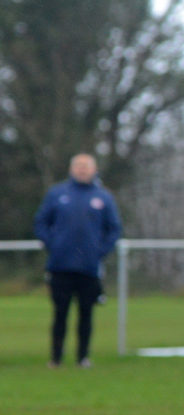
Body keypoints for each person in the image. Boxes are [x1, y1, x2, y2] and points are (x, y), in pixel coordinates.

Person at [33, 153, 122, 368]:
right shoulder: (57, 194)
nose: (82, 169)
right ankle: (56, 357)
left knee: (86, 313)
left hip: (89, 267)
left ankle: (83, 357)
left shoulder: (103, 197)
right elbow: (40, 223)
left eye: (86, 166)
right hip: (60, 265)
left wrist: (99, 251)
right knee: (60, 313)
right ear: (72, 169)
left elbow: (114, 229)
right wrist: (53, 245)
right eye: (78, 166)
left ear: (94, 169)